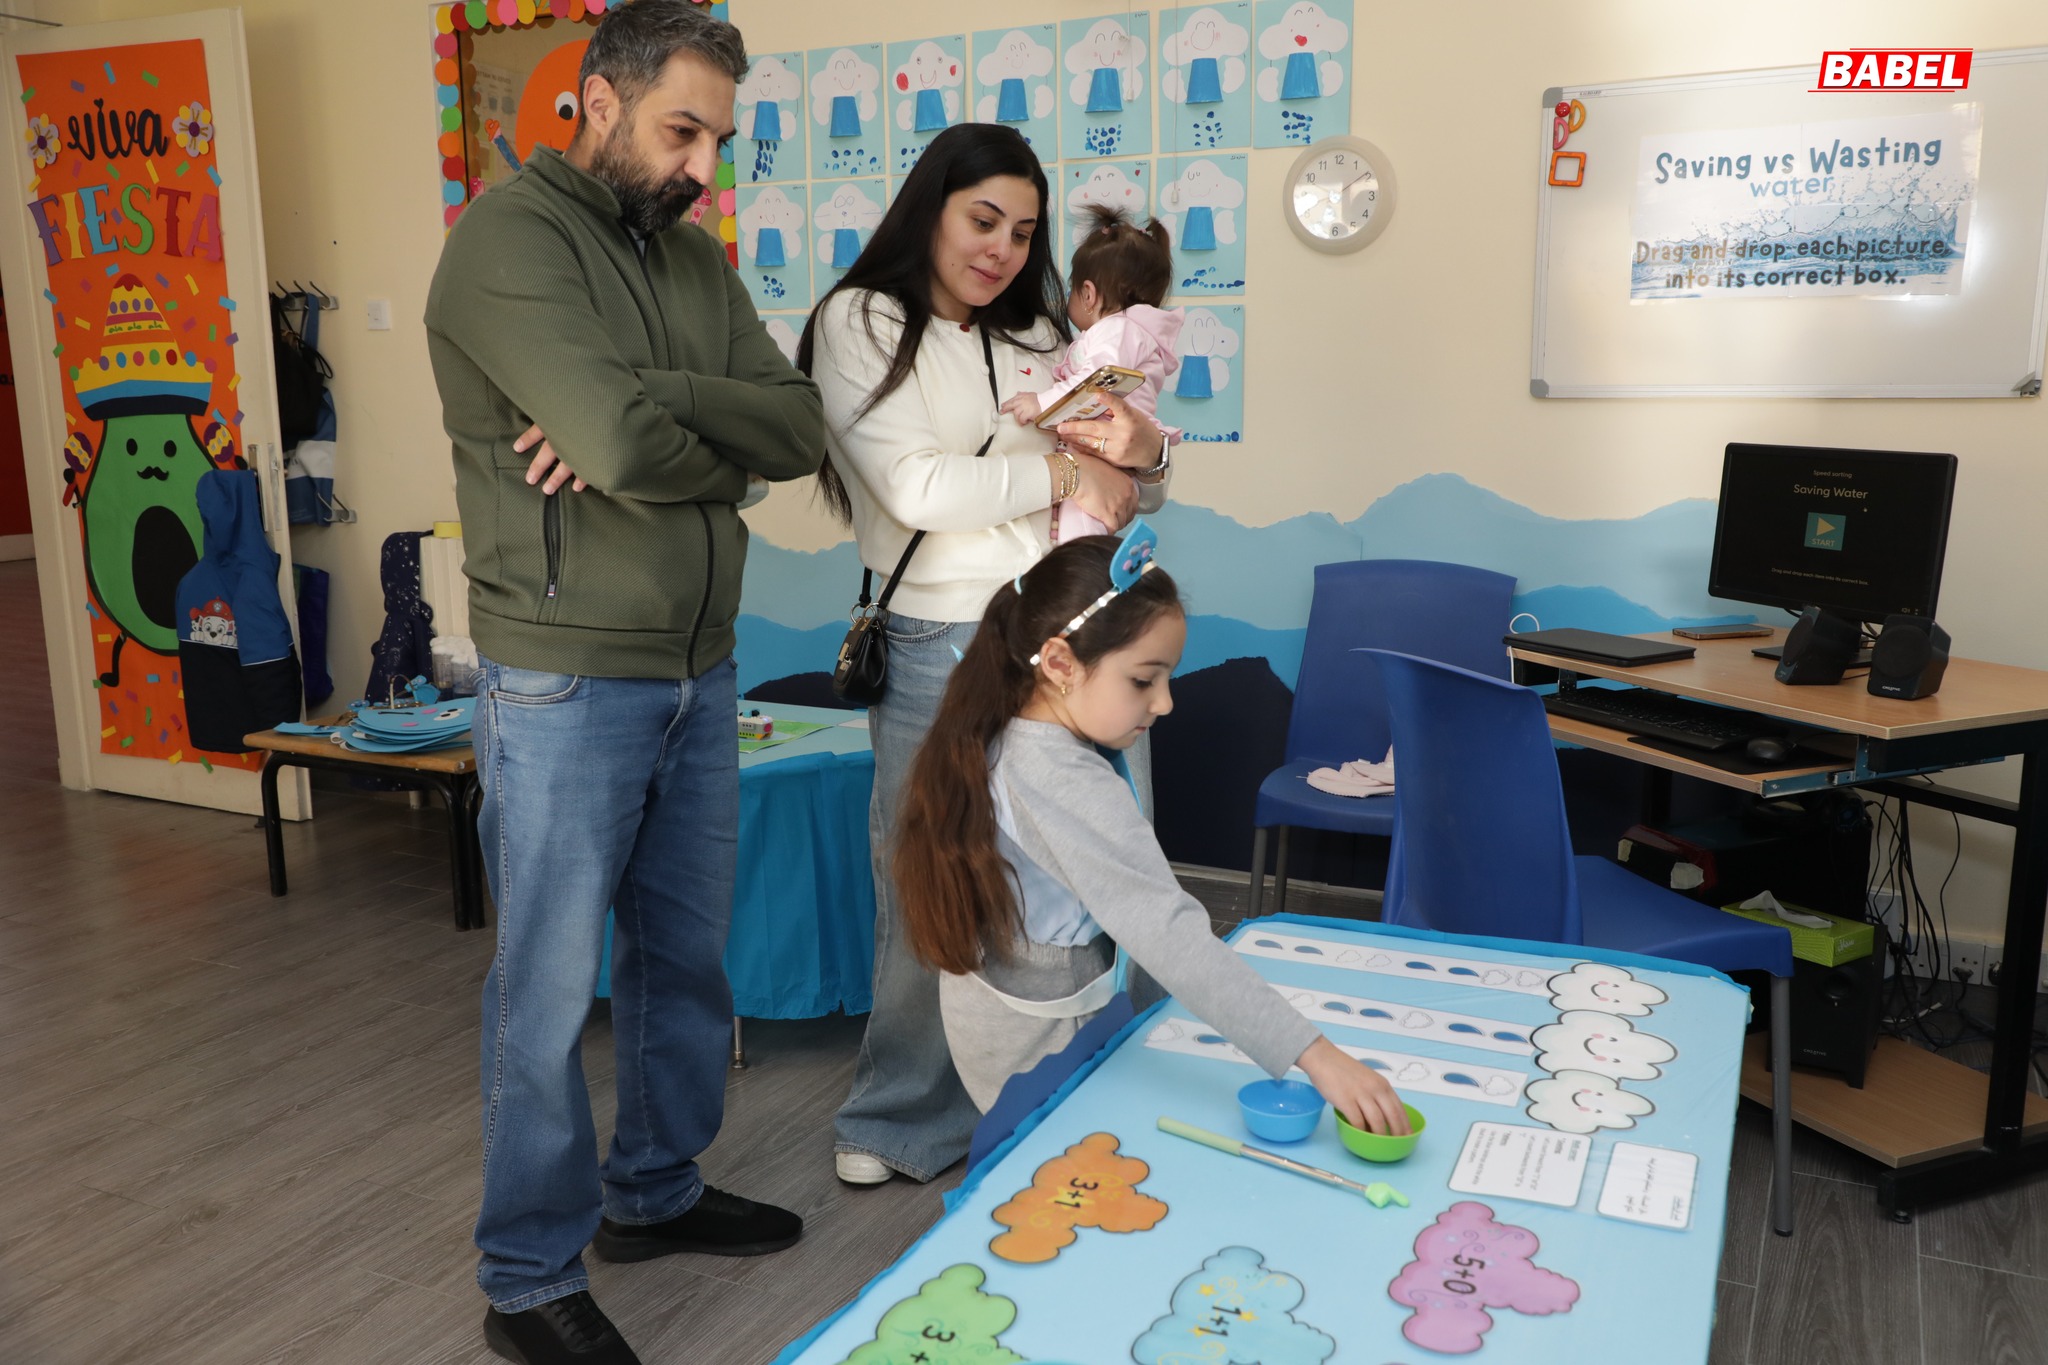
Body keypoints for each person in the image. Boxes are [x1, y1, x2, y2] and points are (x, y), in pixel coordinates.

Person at [424, 5, 825, 1363]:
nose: (704, 165)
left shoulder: (693, 257)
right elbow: (618, 445)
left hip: (701, 666)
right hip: (563, 676)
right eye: (681, 131)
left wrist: (659, 395)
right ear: (598, 102)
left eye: (718, 138)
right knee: (545, 993)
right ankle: (527, 1276)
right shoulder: (506, 245)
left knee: (683, 959)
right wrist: (662, 430)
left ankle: (653, 1192)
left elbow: (796, 425)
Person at [798, 122, 1175, 1188]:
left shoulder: (1042, 330)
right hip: (940, 636)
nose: (1002, 249)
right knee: (936, 872)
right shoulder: (859, 321)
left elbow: (1132, 478)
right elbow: (914, 486)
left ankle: (1081, 1090)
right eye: (982, 220)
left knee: (1088, 867)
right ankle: (900, 1116)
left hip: (1068, 627)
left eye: (1022, 231)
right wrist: (1066, 475)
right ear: (930, 209)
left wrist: (1147, 452)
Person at [891, 526, 1413, 1136]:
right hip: (1045, 1042)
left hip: (1002, 1019)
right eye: (1143, 680)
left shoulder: (1002, 725)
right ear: (1059, 663)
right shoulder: (1060, 776)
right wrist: (1318, 1056)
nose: (1165, 703)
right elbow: (1166, 930)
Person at [1000, 206, 1184, 543]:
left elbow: (1094, 385)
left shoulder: (1116, 330)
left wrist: (1041, 403)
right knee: (1075, 522)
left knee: (1079, 535)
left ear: (1087, 294)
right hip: (1106, 457)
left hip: (1108, 455)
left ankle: (1078, 563)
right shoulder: (1128, 333)